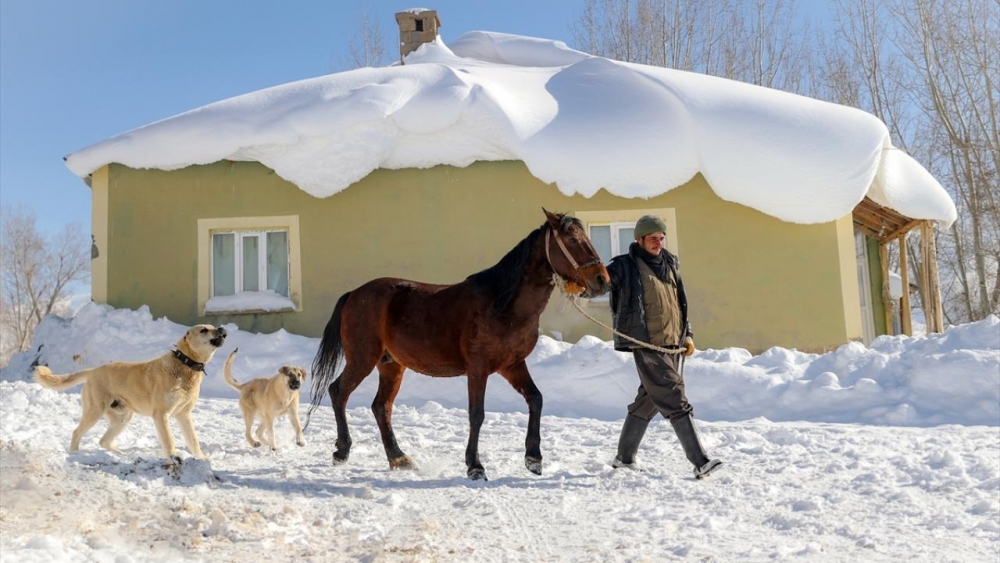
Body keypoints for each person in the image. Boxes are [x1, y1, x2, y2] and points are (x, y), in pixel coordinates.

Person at [605, 215, 723, 479]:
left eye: (661, 238)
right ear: (639, 239)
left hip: (672, 344)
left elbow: (680, 303)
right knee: (673, 393)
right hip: (645, 342)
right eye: (652, 238)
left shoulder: (670, 263)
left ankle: (624, 459)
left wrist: (687, 335)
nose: (658, 243)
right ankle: (700, 461)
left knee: (647, 401)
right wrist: (582, 284)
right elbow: (600, 282)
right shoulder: (624, 266)